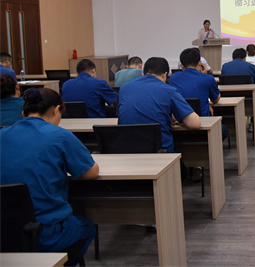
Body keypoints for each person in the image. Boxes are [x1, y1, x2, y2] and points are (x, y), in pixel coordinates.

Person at [0, 88, 99, 257]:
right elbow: (90, 173)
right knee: (86, 227)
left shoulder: (2, 134)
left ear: (23, 113)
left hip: (5, 233)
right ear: (56, 110)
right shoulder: (60, 136)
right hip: (44, 232)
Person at [117, 57, 201, 154]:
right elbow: (195, 123)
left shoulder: (124, 88)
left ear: (143, 73)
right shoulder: (168, 90)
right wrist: (178, 120)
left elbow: (122, 115)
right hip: (159, 152)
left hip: (127, 151)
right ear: (165, 75)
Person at [169, 48, 227, 140]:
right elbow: (216, 99)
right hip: (202, 126)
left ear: (181, 65)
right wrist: (204, 75)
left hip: (180, 125)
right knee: (223, 130)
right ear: (200, 63)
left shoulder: (172, 78)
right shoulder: (208, 78)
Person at [221, 48, 255, 113]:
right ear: (244, 58)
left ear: (232, 58)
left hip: (229, 97)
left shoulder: (224, 66)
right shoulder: (249, 66)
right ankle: (254, 118)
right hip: (249, 97)